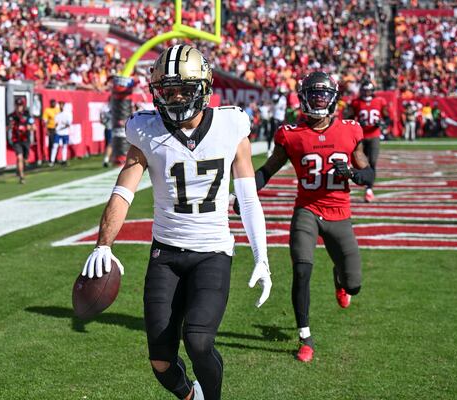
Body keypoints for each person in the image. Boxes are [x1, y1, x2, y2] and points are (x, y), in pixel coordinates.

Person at [81, 44, 272, 400]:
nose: (177, 97)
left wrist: (262, 256)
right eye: (168, 90)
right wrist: (103, 243)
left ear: (205, 88)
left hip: (212, 253)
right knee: (161, 361)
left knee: (199, 342)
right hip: (166, 254)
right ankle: (191, 396)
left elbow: (247, 197)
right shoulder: (146, 131)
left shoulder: (231, 124)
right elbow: (123, 192)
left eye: (185, 89)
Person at [235, 72, 374, 363]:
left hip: (340, 213)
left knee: (354, 285)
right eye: (313, 95)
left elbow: (368, 172)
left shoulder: (350, 130)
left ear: (333, 99)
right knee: (301, 270)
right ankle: (305, 337)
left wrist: (353, 174)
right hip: (307, 210)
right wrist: (245, 193)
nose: (318, 100)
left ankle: (339, 279)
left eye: (323, 95)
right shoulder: (290, 134)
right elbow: (267, 170)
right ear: (304, 98)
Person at [349, 80, 389, 203]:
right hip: (360, 136)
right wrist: (357, 124)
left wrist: (381, 124)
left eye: (368, 90)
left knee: (372, 161)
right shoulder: (356, 102)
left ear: (372, 91)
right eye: (364, 90)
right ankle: (363, 181)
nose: (366, 93)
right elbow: (349, 119)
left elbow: (387, 118)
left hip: (374, 136)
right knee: (359, 163)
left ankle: (369, 189)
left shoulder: (380, 101)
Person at [6, 98, 34, 184]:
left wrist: (29, 128)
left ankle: (19, 169)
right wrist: (10, 126)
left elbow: (32, 126)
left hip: (25, 139)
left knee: (25, 160)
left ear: (23, 106)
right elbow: (6, 128)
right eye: (17, 106)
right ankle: (22, 177)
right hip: (16, 139)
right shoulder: (11, 116)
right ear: (15, 106)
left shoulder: (27, 114)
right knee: (19, 157)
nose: (19, 107)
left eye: (20, 106)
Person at [50, 101, 72, 166]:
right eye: (60, 105)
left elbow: (68, 124)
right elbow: (56, 124)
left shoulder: (68, 114)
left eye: (62, 105)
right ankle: (52, 161)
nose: (61, 106)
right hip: (58, 132)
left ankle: (64, 160)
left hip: (65, 133)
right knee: (55, 146)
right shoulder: (57, 115)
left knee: (64, 146)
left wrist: (62, 126)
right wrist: (56, 128)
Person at [100, 99, 113, 167]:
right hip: (110, 128)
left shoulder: (105, 108)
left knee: (109, 144)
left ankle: (108, 159)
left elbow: (102, 120)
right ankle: (106, 159)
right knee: (110, 144)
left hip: (108, 128)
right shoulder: (109, 109)